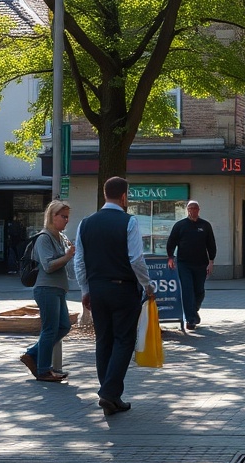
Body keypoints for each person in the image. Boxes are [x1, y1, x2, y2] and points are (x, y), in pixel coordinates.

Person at [73, 176, 154, 415]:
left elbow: (79, 261)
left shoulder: (85, 223)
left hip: (97, 289)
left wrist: (85, 290)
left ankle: (111, 394)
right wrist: (148, 286)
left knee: (103, 340)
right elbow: (136, 259)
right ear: (124, 197)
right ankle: (109, 393)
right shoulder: (128, 221)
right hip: (123, 289)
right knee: (123, 340)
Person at [18, 200, 75, 383]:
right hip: (46, 288)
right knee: (50, 329)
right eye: (63, 217)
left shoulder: (58, 237)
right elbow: (48, 265)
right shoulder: (44, 238)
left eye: (67, 217)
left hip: (57, 288)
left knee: (64, 326)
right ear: (53, 216)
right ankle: (43, 370)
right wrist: (67, 257)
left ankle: (33, 354)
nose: (66, 221)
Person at [166, 200, 217, 331]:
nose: (192, 211)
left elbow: (211, 244)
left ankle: (193, 310)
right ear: (187, 210)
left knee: (199, 291)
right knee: (188, 291)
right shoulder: (180, 225)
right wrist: (170, 257)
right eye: (190, 208)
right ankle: (191, 320)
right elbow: (171, 242)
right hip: (184, 264)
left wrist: (211, 262)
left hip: (201, 264)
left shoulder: (205, 226)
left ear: (198, 210)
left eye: (195, 208)